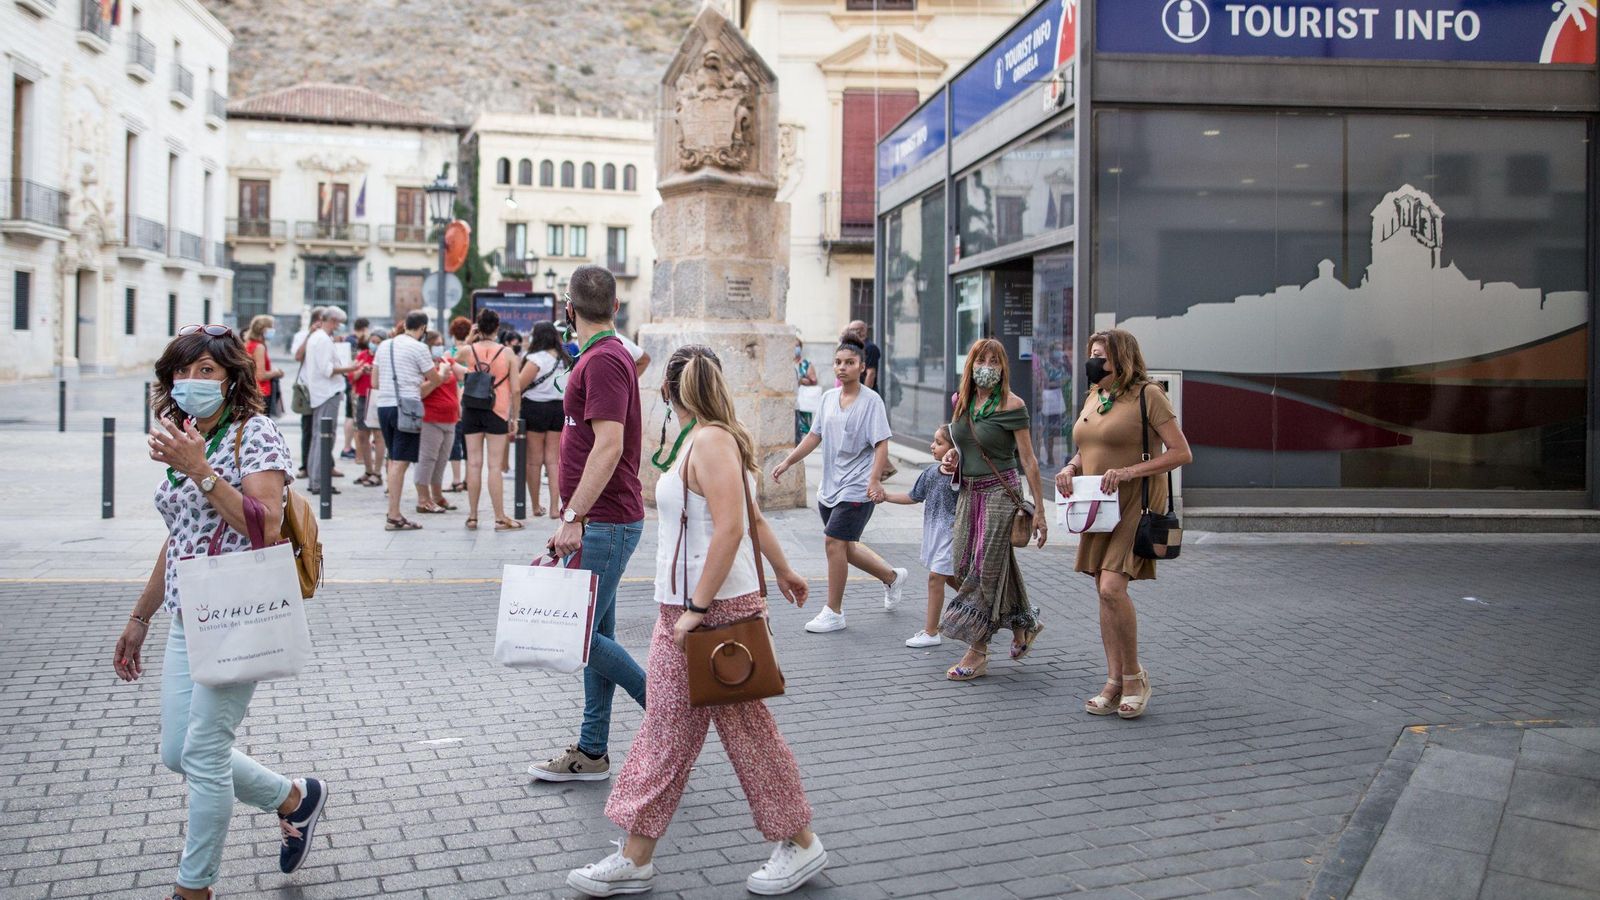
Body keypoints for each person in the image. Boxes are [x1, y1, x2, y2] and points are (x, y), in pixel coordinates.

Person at [569, 345, 826, 898]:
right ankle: (636, 857)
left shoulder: (709, 440)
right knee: (668, 732)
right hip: (689, 610)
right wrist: (783, 570)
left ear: (669, 391)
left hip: (712, 614)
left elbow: (734, 526)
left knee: (740, 736)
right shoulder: (698, 439)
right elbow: (751, 518)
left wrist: (698, 610)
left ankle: (799, 843)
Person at [114, 324, 329, 900]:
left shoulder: (253, 434)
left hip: (240, 611)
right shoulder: (189, 435)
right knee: (176, 751)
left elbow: (266, 523)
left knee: (205, 753)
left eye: (206, 370)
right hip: (191, 613)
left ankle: (193, 888)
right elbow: (181, 536)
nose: (191, 381)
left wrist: (200, 471)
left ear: (233, 377)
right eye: (182, 372)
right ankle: (293, 798)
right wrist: (141, 616)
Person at [529, 265, 647, 784]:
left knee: (576, 636)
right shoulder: (607, 356)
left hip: (603, 521)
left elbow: (610, 444)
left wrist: (574, 517)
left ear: (568, 309)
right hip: (604, 519)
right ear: (616, 308)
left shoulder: (601, 361)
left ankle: (670, 713)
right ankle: (593, 751)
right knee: (596, 634)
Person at [1055, 329, 1192, 719]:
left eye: (1101, 354)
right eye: (1092, 353)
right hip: (1098, 504)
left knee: (1113, 587)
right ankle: (1113, 681)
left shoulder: (1149, 395)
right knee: (1103, 588)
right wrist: (1069, 467)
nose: (1093, 360)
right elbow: (1086, 448)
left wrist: (1130, 471)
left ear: (1122, 358)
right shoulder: (1094, 396)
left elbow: (1182, 453)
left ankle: (1134, 678)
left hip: (1136, 502)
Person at [771, 338, 907, 634]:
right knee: (844, 547)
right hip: (830, 486)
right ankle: (892, 577)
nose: (843, 367)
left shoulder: (872, 401)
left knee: (833, 542)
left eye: (849, 362)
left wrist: (873, 479)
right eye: (838, 362)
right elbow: (813, 436)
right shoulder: (827, 398)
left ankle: (834, 611)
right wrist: (788, 462)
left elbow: (882, 442)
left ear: (861, 366)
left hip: (857, 487)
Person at [936, 338, 1049, 681]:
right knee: (964, 564)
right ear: (970, 365)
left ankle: (978, 650)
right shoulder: (962, 402)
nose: (988, 367)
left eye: (994, 361)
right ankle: (1024, 624)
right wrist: (953, 455)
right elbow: (962, 441)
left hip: (1001, 493)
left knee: (985, 568)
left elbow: (1028, 459)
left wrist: (1040, 511)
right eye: (981, 360)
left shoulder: (1013, 405)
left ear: (1003, 368)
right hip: (969, 493)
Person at [881, 425, 961, 648]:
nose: (932, 445)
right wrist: (885, 496)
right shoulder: (930, 473)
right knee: (954, 580)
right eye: (934, 441)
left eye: (939, 442)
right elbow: (913, 496)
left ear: (955, 449)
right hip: (935, 536)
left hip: (953, 537)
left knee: (936, 578)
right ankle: (986, 604)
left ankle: (931, 632)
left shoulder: (964, 476)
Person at [373, 311, 442, 531]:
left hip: (384, 406)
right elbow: (435, 378)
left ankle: (394, 513)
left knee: (393, 459)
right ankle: (393, 515)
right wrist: (440, 378)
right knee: (400, 463)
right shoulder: (419, 347)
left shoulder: (385, 345)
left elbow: (375, 381)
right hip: (408, 408)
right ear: (422, 328)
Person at [455, 308, 521, 531]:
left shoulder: (468, 350)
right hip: (497, 411)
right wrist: (515, 417)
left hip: (472, 408)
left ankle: (472, 517)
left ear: (478, 327)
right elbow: (516, 390)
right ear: (498, 327)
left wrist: (469, 339)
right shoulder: (508, 353)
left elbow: (452, 360)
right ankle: (500, 517)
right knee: (494, 466)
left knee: (473, 464)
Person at [300, 307, 364, 494]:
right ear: (334, 321)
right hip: (327, 393)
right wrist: (350, 368)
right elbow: (327, 369)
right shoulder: (322, 340)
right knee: (324, 438)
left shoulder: (317, 338)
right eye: (338, 323)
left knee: (318, 437)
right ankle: (319, 482)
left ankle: (316, 479)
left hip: (321, 392)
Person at [518, 321, 570, 518]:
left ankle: (535, 505)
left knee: (534, 460)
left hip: (535, 408)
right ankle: (555, 507)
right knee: (554, 460)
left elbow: (520, 384)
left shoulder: (534, 359)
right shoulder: (564, 359)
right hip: (559, 408)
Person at [415, 329, 464, 515]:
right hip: (430, 418)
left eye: (441, 343)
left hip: (450, 419)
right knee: (427, 459)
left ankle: (437, 495)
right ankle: (423, 499)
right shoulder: (423, 365)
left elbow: (463, 373)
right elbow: (421, 392)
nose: (439, 347)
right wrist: (439, 378)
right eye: (436, 344)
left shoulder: (446, 361)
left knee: (442, 459)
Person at [290, 307, 325, 475]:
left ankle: (326, 465)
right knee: (308, 427)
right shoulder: (301, 336)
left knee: (325, 428)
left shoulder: (327, 337)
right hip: (307, 388)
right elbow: (298, 356)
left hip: (325, 388)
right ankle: (305, 466)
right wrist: (309, 335)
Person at [350, 331, 383, 487]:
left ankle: (377, 472)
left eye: (377, 341)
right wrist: (361, 370)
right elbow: (351, 377)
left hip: (377, 396)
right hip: (362, 397)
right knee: (362, 435)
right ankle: (368, 469)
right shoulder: (362, 355)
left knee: (378, 435)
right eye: (372, 340)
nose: (374, 344)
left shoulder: (383, 356)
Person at [445, 316, 472, 493]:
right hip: (470, 397)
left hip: (454, 397)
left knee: (455, 440)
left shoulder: (449, 353)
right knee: (470, 441)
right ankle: (469, 479)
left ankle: (456, 480)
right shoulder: (473, 351)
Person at [340, 317, 370, 459]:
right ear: (364, 328)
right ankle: (348, 447)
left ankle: (348, 446)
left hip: (348, 379)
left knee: (350, 415)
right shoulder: (354, 342)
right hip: (353, 382)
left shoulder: (347, 339)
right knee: (351, 415)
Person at [243, 315, 283, 417]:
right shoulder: (259, 347)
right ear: (264, 330)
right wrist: (276, 372)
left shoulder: (249, 344)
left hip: (252, 391)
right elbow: (260, 375)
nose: (273, 330)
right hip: (262, 392)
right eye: (271, 327)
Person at [1039, 340, 1070, 469]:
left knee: (1065, 428)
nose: (1059, 352)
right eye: (1056, 349)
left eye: (1060, 349)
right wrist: (1058, 384)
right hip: (1050, 399)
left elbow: (1071, 376)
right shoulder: (1045, 365)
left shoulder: (1063, 365)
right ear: (1051, 352)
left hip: (1062, 399)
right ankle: (1050, 457)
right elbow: (1044, 383)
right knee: (1049, 430)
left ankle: (1068, 455)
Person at [794, 338, 817, 443]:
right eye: (793, 346)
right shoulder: (785, 362)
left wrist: (801, 380)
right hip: (792, 400)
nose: (795, 348)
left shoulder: (806, 363)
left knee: (801, 431)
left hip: (803, 402)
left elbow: (814, 380)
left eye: (797, 346)